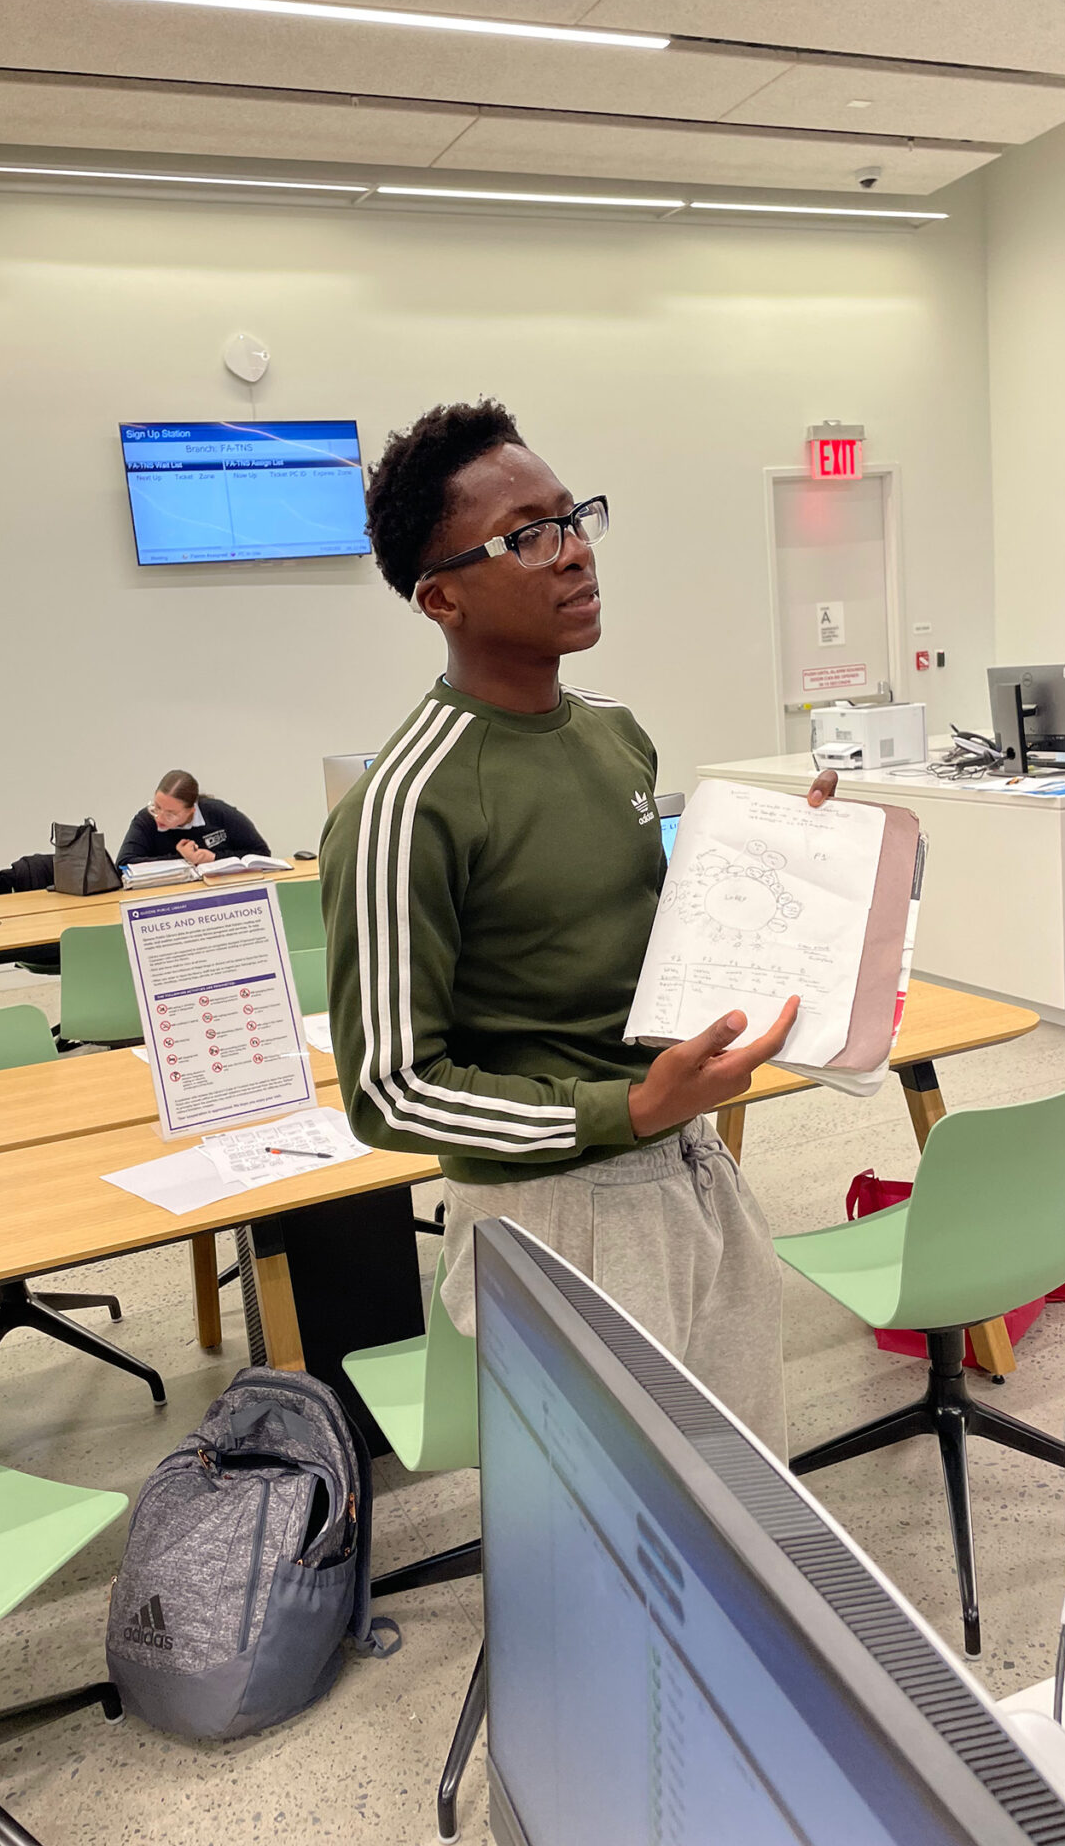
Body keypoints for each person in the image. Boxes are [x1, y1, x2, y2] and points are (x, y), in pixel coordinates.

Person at [320, 401, 837, 1454]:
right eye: (529, 535)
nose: (573, 553)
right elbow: (387, 1090)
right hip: (554, 1214)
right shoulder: (403, 803)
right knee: (616, 1560)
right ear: (442, 597)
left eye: (573, 517)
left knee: (745, 1501)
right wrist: (624, 1108)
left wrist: (776, 866)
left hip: (690, 1172)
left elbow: (637, 933)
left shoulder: (613, 734)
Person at [116, 770, 271, 869]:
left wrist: (214, 858)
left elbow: (261, 853)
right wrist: (183, 859)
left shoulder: (219, 813)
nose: (160, 817)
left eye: (171, 814)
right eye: (156, 807)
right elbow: (124, 863)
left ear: (191, 811)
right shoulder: (146, 820)